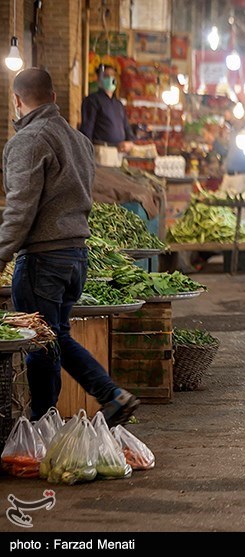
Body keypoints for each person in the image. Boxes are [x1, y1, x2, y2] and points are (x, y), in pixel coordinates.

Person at [1, 68, 140, 425]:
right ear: (54, 97)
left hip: (43, 259)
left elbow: (19, 208)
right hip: (76, 255)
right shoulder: (79, 140)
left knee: (40, 343)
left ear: (16, 101)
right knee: (55, 335)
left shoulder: (28, 141)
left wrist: (1, 251)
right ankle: (106, 397)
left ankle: (42, 422)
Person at [79, 65, 135, 153]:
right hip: (102, 150)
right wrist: (86, 153)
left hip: (119, 152)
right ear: (98, 79)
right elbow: (87, 129)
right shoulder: (92, 100)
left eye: (112, 75)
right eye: (106, 76)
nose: (110, 78)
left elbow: (126, 127)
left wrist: (130, 142)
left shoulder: (118, 104)